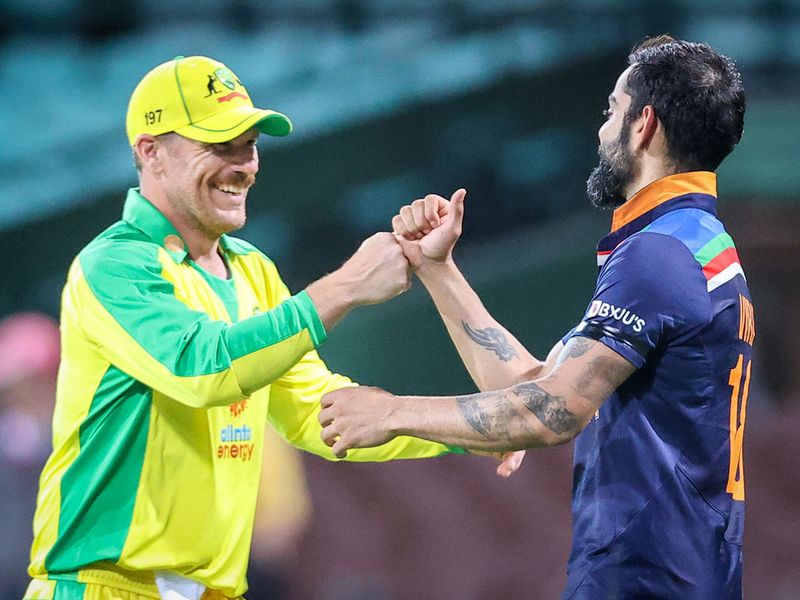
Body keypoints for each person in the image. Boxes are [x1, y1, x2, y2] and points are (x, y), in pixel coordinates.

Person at [23, 55, 522, 600]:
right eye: (219, 144)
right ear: (151, 153)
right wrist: (346, 285)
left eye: (249, 144)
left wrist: (463, 431)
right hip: (103, 588)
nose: (244, 164)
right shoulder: (115, 265)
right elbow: (201, 367)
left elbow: (316, 413)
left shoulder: (253, 269)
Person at [319, 35, 751, 598]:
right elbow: (535, 386)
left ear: (643, 125)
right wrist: (438, 269)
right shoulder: (696, 246)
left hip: (647, 583)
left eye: (611, 111)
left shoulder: (657, 255)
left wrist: (391, 412)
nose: (602, 130)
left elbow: (554, 412)